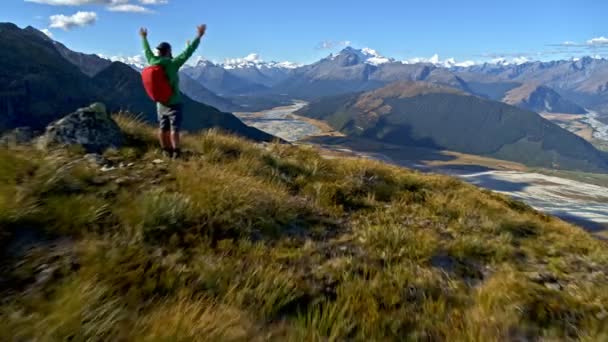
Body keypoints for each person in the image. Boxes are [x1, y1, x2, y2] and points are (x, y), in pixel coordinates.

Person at [139, 25, 207, 158]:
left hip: (160, 104)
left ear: (158, 52)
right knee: (174, 130)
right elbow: (188, 53)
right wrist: (199, 36)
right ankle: (176, 152)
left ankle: (165, 150)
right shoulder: (173, 64)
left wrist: (143, 37)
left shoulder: (152, 61)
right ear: (169, 51)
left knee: (162, 129)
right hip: (174, 102)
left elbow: (146, 50)